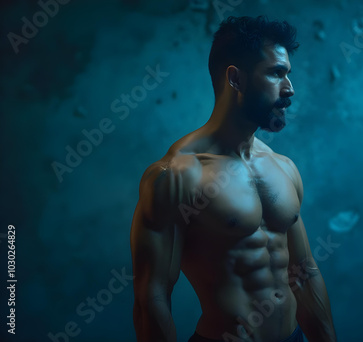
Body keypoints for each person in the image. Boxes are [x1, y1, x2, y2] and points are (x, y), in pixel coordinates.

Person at [130, 15, 337, 342]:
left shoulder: (283, 167)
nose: (290, 89)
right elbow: (151, 298)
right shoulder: (178, 175)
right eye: (276, 73)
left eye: (288, 74)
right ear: (235, 79)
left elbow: (304, 274)